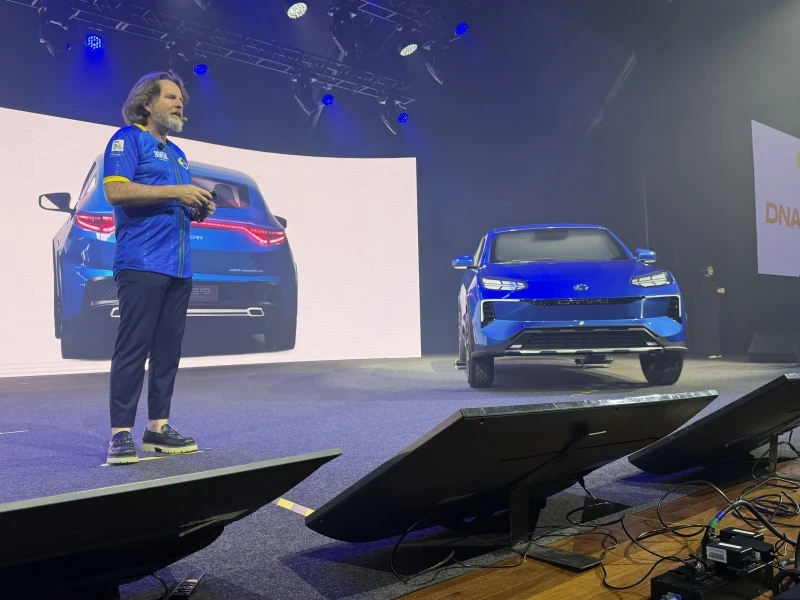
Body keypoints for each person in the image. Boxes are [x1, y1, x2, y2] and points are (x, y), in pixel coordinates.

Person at [103, 71, 216, 465]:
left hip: (179, 268)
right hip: (141, 262)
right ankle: (120, 433)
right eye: (170, 97)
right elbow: (116, 190)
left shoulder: (178, 153)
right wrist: (177, 192)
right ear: (147, 103)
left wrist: (197, 206)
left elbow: (172, 202)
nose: (179, 103)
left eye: (181, 99)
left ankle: (157, 428)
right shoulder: (127, 138)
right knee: (133, 348)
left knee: (168, 351)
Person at [690, 264, 726, 359]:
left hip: (713, 310)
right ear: (704, 270)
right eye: (710, 268)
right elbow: (704, 294)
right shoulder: (702, 281)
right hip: (706, 310)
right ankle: (708, 351)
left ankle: (715, 350)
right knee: (708, 330)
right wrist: (717, 292)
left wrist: (720, 292)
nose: (712, 270)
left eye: (712, 268)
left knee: (714, 331)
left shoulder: (712, 281)